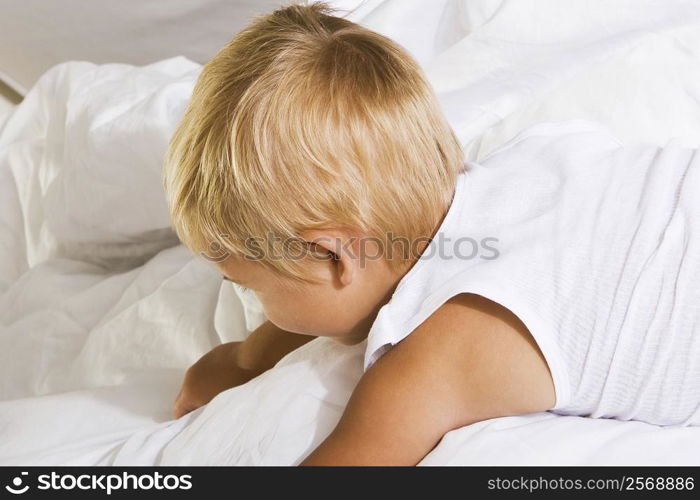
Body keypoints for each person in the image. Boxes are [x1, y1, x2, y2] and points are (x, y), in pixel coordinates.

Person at [162, 2, 700, 465]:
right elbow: (352, 293)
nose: (253, 304)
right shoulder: (533, 155)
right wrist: (247, 361)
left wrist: (233, 367)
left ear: (334, 255)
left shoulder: (444, 351)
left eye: (248, 286)